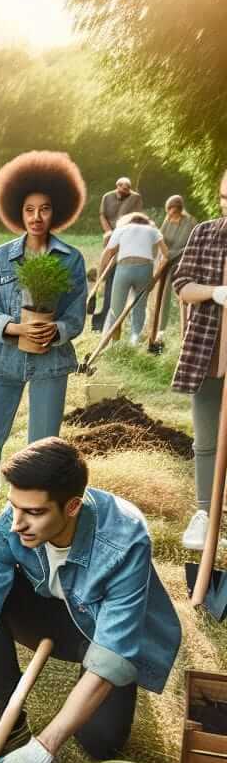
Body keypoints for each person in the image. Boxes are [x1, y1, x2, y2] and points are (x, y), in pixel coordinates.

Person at [0, 439, 180, 763]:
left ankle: (60, 717)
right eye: (14, 507)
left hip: (101, 630)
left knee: (101, 742)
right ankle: (9, 716)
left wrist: (45, 746)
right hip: (53, 610)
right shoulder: (13, 522)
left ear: (72, 507)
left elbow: (112, 653)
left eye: (33, 512)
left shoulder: (125, 540)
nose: (17, 524)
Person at [0, 151, 87, 568]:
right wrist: (13, 328)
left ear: (57, 211)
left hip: (51, 364)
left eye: (45, 209)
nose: (36, 217)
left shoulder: (71, 259)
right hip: (4, 362)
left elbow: (76, 314)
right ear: (18, 211)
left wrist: (58, 330)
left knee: (42, 449)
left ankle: (36, 533)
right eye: (29, 210)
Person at [171, 166, 227, 551]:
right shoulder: (205, 232)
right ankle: (206, 514)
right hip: (208, 352)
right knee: (206, 441)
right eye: (225, 198)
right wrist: (214, 291)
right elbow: (182, 284)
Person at [99, 212, 168, 343]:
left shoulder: (121, 229)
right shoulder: (153, 230)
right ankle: (134, 341)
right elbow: (166, 255)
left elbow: (107, 253)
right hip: (145, 270)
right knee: (139, 308)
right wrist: (155, 277)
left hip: (124, 268)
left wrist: (101, 277)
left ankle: (112, 343)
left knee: (115, 309)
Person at [97, 176, 144, 325]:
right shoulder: (107, 197)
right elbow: (102, 215)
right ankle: (103, 282)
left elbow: (137, 218)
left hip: (128, 235)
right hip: (110, 236)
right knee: (110, 270)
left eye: (128, 189)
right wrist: (109, 232)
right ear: (117, 186)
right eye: (123, 189)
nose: (126, 192)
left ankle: (125, 313)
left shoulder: (135, 198)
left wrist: (123, 234)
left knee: (123, 271)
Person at [152, 195, 197, 337]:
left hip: (182, 261)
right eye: (168, 210)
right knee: (162, 295)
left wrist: (170, 255)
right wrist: (164, 256)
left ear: (178, 209)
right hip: (166, 261)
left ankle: (187, 328)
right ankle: (160, 329)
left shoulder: (190, 222)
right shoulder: (167, 221)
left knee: (183, 294)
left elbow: (190, 246)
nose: (170, 213)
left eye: (172, 210)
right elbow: (161, 240)